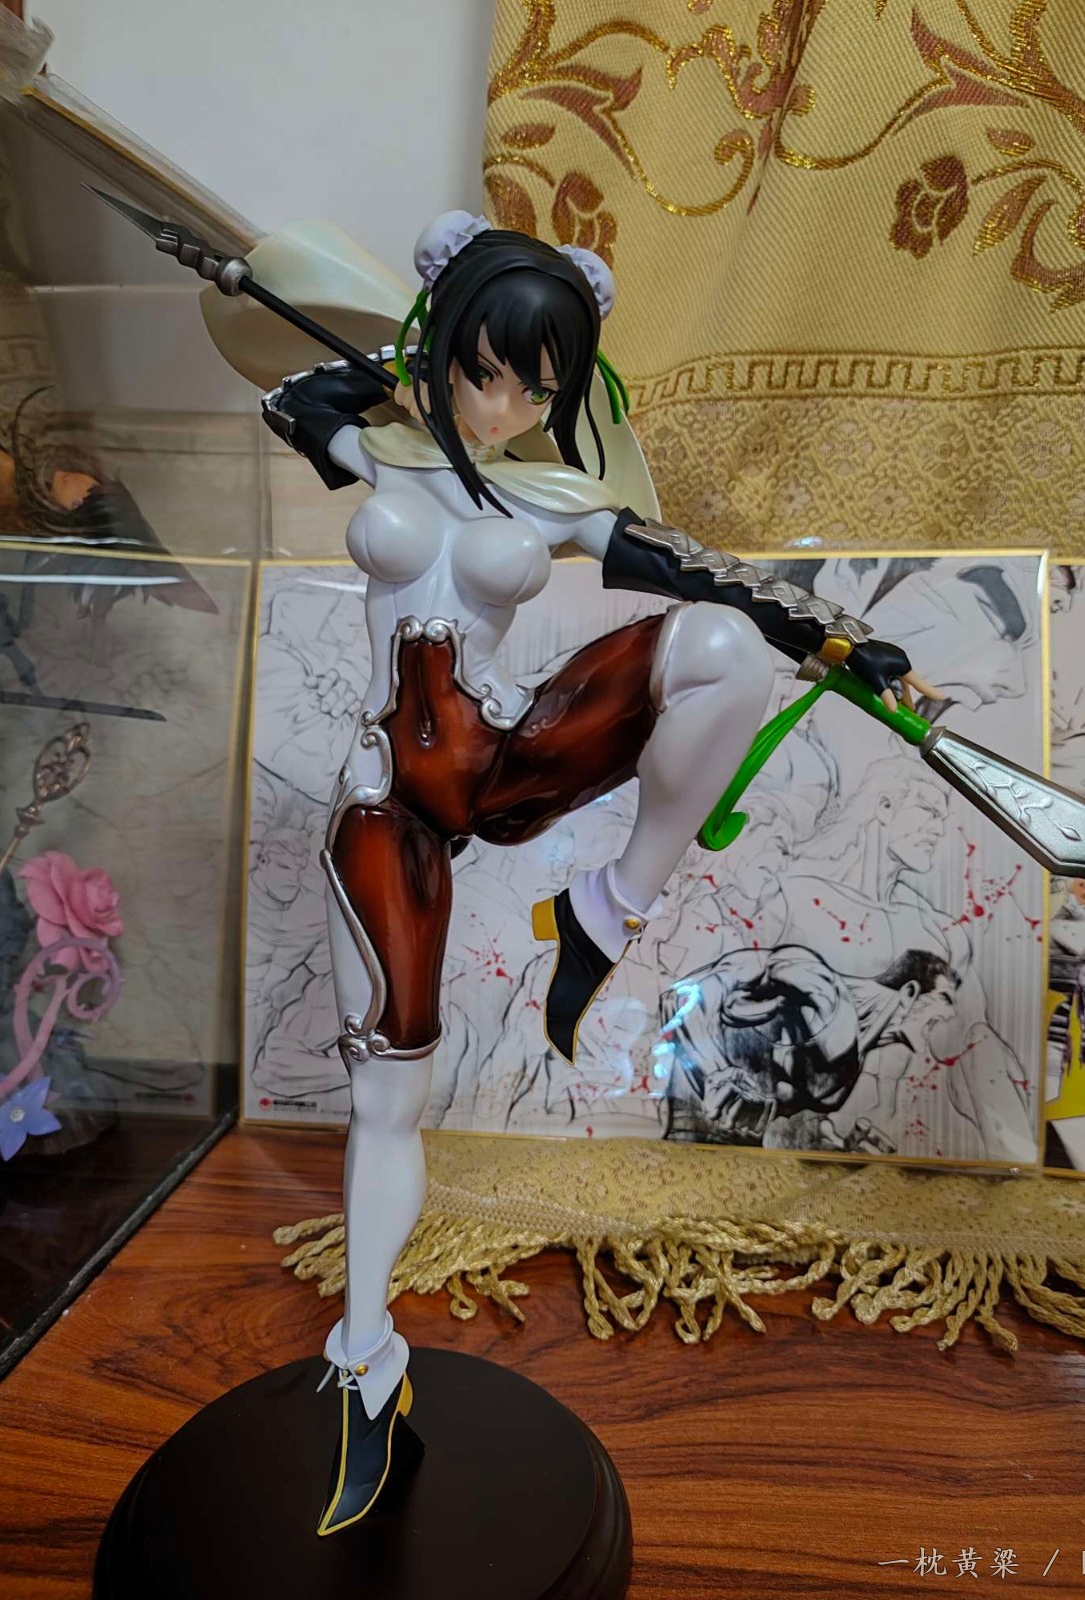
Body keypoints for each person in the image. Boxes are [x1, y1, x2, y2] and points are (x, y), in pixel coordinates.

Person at [248, 211, 934, 1535]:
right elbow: (292, 393)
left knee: (724, 649)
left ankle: (607, 909)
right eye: (481, 371)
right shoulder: (374, 447)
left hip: (508, 757)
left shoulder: (550, 500)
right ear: (444, 346)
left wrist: (848, 645)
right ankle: (367, 1358)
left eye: (534, 388)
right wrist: (402, 367)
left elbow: (706, 575)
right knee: (389, 1087)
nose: (502, 408)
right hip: (390, 802)